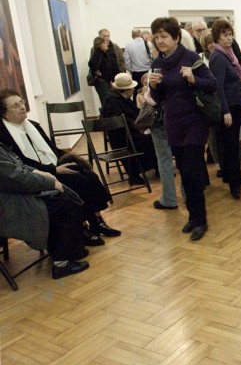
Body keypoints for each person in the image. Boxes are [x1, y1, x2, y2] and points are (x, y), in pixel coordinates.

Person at [0, 89, 120, 246]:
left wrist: (64, 161)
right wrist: (54, 170)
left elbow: (52, 149)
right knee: (78, 181)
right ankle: (82, 227)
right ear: (4, 114)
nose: (22, 107)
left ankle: (97, 221)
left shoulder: (33, 125)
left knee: (90, 175)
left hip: (54, 165)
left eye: (22, 102)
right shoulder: (3, 135)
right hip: (37, 175)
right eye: (15, 106)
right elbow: (21, 163)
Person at [148, 17, 217, 241]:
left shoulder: (190, 57)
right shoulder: (157, 63)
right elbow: (158, 98)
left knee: (192, 171)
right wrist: (153, 86)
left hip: (194, 122)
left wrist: (193, 78)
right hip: (174, 124)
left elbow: (212, 84)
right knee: (184, 174)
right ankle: (193, 217)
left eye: (164, 36)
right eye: (157, 37)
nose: (160, 41)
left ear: (176, 37)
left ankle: (201, 219)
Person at [0, 141, 90, 279]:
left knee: (62, 198)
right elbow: (15, 178)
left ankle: (70, 252)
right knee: (67, 204)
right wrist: (50, 183)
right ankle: (62, 263)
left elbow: (16, 167)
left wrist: (37, 172)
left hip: (13, 197)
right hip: (7, 207)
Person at [208, 18, 241, 199]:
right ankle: (234, 184)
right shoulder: (218, 57)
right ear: (217, 37)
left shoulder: (228, 54)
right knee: (230, 146)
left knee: (233, 145)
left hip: (234, 105)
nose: (229, 38)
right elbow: (218, 87)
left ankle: (234, 178)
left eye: (230, 34)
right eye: (225, 35)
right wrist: (225, 111)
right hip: (228, 107)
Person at [102, 73, 158, 185]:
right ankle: (136, 173)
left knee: (153, 136)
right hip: (123, 138)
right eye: (131, 88)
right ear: (125, 90)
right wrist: (140, 126)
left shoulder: (123, 98)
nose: (133, 89)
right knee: (150, 139)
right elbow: (120, 124)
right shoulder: (113, 102)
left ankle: (156, 167)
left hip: (131, 132)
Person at [136, 73, 178, 211]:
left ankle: (169, 199)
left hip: (161, 120)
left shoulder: (156, 69)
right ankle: (188, 196)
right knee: (183, 158)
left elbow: (152, 99)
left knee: (164, 159)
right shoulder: (184, 65)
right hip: (180, 117)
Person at [88, 36, 118, 107]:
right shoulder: (98, 54)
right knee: (106, 102)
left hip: (107, 81)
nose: (107, 44)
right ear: (100, 45)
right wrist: (98, 72)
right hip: (102, 82)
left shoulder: (104, 53)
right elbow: (91, 63)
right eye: (104, 43)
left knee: (109, 101)